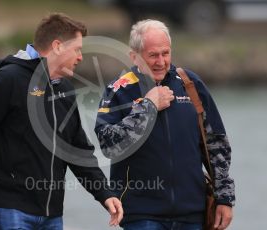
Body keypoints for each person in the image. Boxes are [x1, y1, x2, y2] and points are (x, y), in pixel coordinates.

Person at [0, 13, 123, 230]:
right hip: (8, 209)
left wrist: (105, 193)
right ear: (57, 46)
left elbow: (78, 152)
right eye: (77, 49)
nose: (81, 57)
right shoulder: (6, 80)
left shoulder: (66, 91)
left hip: (52, 216)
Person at [95, 19, 235, 230]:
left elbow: (217, 144)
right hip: (141, 215)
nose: (161, 61)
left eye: (165, 53)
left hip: (192, 214)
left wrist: (224, 198)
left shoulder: (190, 84)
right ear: (134, 56)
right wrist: (149, 106)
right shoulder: (119, 90)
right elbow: (109, 145)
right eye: (153, 55)